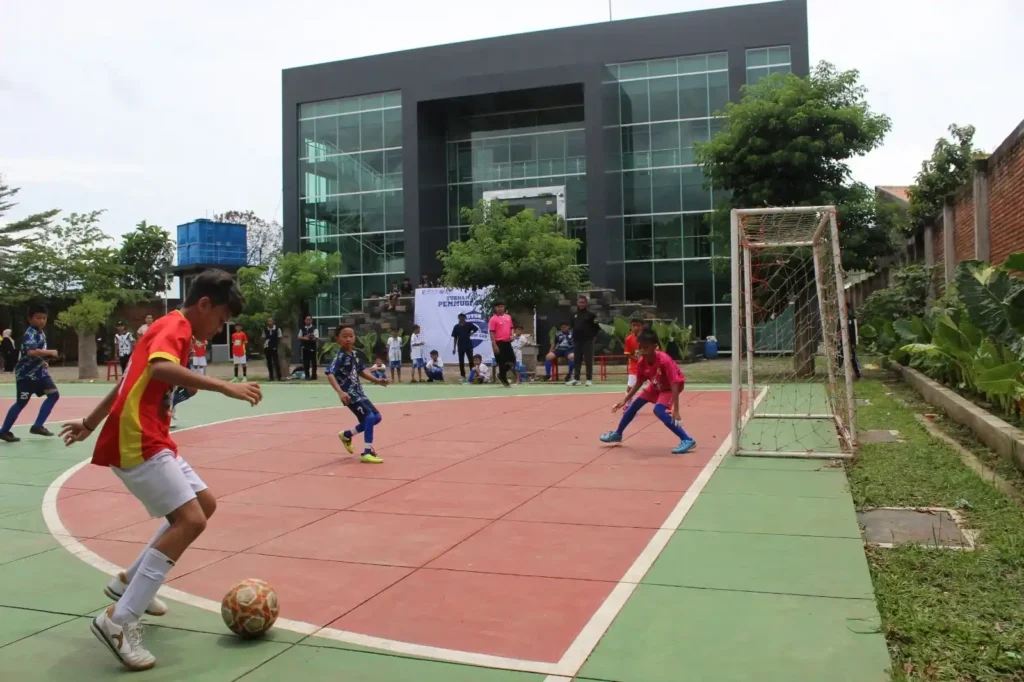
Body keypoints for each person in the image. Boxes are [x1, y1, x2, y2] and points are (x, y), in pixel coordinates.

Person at [58, 269, 261, 671]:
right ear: (204, 304)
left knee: (205, 504)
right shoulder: (177, 328)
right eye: (221, 319)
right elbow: (157, 370)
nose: (220, 328)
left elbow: (127, 381)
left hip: (148, 433)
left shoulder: (166, 328)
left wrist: (90, 422)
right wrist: (224, 386)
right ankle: (119, 621)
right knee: (190, 521)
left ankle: (128, 583)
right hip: (138, 438)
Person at [600, 329, 696, 455]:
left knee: (658, 410)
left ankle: (687, 439)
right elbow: (639, 382)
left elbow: (674, 384)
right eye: (640, 347)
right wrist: (624, 400)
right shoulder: (641, 361)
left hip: (670, 388)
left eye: (645, 347)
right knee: (633, 405)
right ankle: (618, 433)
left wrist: (676, 410)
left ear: (655, 347)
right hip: (655, 385)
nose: (641, 350)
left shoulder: (664, 361)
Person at [0, 305, 61, 442]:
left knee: (53, 395)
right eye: (38, 318)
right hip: (26, 376)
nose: (42, 321)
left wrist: (44, 361)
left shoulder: (40, 332)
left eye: (44, 318)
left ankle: (38, 426)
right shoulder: (30, 333)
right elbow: (31, 352)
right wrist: (50, 352)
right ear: (30, 319)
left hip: (40, 374)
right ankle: (4, 431)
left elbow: (36, 353)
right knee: (21, 403)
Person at [328, 326, 387, 464]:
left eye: (351, 336)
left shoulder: (354, 355)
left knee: (377, 417)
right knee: (369, 417)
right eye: (344, 336)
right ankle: (367, 452)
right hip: (349, 395)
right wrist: (340, 392)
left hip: (359, 392)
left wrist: (377, 380)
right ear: (338, 339)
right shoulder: (340, 356)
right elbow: (330, 374)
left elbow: (362, 371)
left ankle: (347, 435)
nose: (348, 339)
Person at [569, 295, 600, 387]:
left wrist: (593, 337)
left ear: (586, 304)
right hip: (577, 340)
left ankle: (589, 379)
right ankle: (576, 379)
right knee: (577, 360)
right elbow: (572, 326)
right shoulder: (574, 314)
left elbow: (597, 327)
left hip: (588, 340)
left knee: (588, 360)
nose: (581, 304)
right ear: (577, 303)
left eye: (583, 302)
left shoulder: (591, 315)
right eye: (580, 302)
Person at [488, 301, 515, 387]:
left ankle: (501, 374)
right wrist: (494, 345)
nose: (500, 308)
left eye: (502, 306)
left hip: (507, 342)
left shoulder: (508, 317)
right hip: (498, 343)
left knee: (512, 361)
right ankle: (504, 379)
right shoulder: (493, 319)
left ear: (504, 307)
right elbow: (492, 332)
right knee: (502, 362)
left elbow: (511, 328)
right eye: (498, 307)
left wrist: (512, 335)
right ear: (495, 308)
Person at [622, 317, 644, 410]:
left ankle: (665, 405)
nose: (636, 327)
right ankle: (628, 404)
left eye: (638, 325)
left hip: (649, 365)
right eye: (633, 325)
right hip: (635, 366)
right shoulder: (628, 339)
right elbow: (628, 354)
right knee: (630, 386)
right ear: (631, 327)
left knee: (658, 384)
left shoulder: (647, 337)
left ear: (642, 327)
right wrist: (637, 359)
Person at [451, 313, 479, 379]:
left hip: (468, 345)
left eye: (462, 317)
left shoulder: (469, 324)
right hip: (460, 345)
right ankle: (463, 375)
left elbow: (476, 328)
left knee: (471, 361)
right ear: (458, 318)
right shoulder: (456, 327)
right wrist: (454, 348)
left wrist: (471, 333)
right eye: (460, 317)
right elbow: (455, 337)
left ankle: (472, 375)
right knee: (461, 361)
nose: (461, 318)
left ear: (465, 318)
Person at [298, 315, 319, 380]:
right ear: (305, 321)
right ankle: (307, 376)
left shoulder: (314, 328)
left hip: (312, 348)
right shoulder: (302, 328)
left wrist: (307, 338)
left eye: (309, 320)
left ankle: (314, 376)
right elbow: (299, 337)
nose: (308, 321)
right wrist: (307, 338)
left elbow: (315, 338)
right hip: (305, 348)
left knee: (313, 363)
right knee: (306, 362)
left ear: (311, 320)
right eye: (307, 320)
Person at [263, 317, 282, 381]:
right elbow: (263, 337)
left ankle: (279, 377)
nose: (269, 323)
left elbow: (279, 338)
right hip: (267, 347)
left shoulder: (277, 329)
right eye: (268, 321)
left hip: (274, 347)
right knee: (269, 363)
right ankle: (271, 377)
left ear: (273, 322)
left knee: (276, 362)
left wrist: (276, 345)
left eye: (270, 321)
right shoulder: (265, 329)